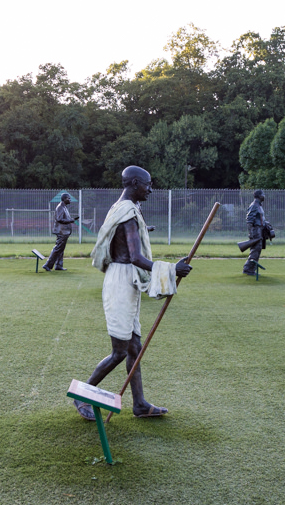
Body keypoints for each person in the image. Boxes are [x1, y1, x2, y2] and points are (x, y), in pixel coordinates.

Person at [74, 166, 192, 420]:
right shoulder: (127, 212)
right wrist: (172, 270)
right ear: (135, 183)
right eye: (148, 185)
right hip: (121, 281)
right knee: (120, 351)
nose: (150, 190)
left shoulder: (124, 208)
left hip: (126, 280)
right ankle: (83, 395)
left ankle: (139, 404)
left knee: (134, 347)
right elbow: (136, 257)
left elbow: (130, 248)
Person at [43, 192, 76, 271]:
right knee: (58, 248)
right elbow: (59, 219)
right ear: (64, 199)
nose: (70, 199)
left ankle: (58, 265)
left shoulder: (64, 207)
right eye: (68, 198)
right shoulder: (60, 207)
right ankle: (47, 264)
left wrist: (71, 220)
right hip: (61, 231)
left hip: (65, 232)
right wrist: (70, 220)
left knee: (61, 249)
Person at [242, 190, 272, 275]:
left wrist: (266, 224)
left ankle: (252, 269)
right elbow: (249, 220)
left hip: (260, 230)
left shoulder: (259, 206)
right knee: (255, 249)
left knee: (258, 249)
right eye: (263, 195)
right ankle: (248, 269)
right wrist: (251, 233)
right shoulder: (254, 206)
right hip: (256, 230)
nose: (264, 196)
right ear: (259, 196)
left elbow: (260, 219)